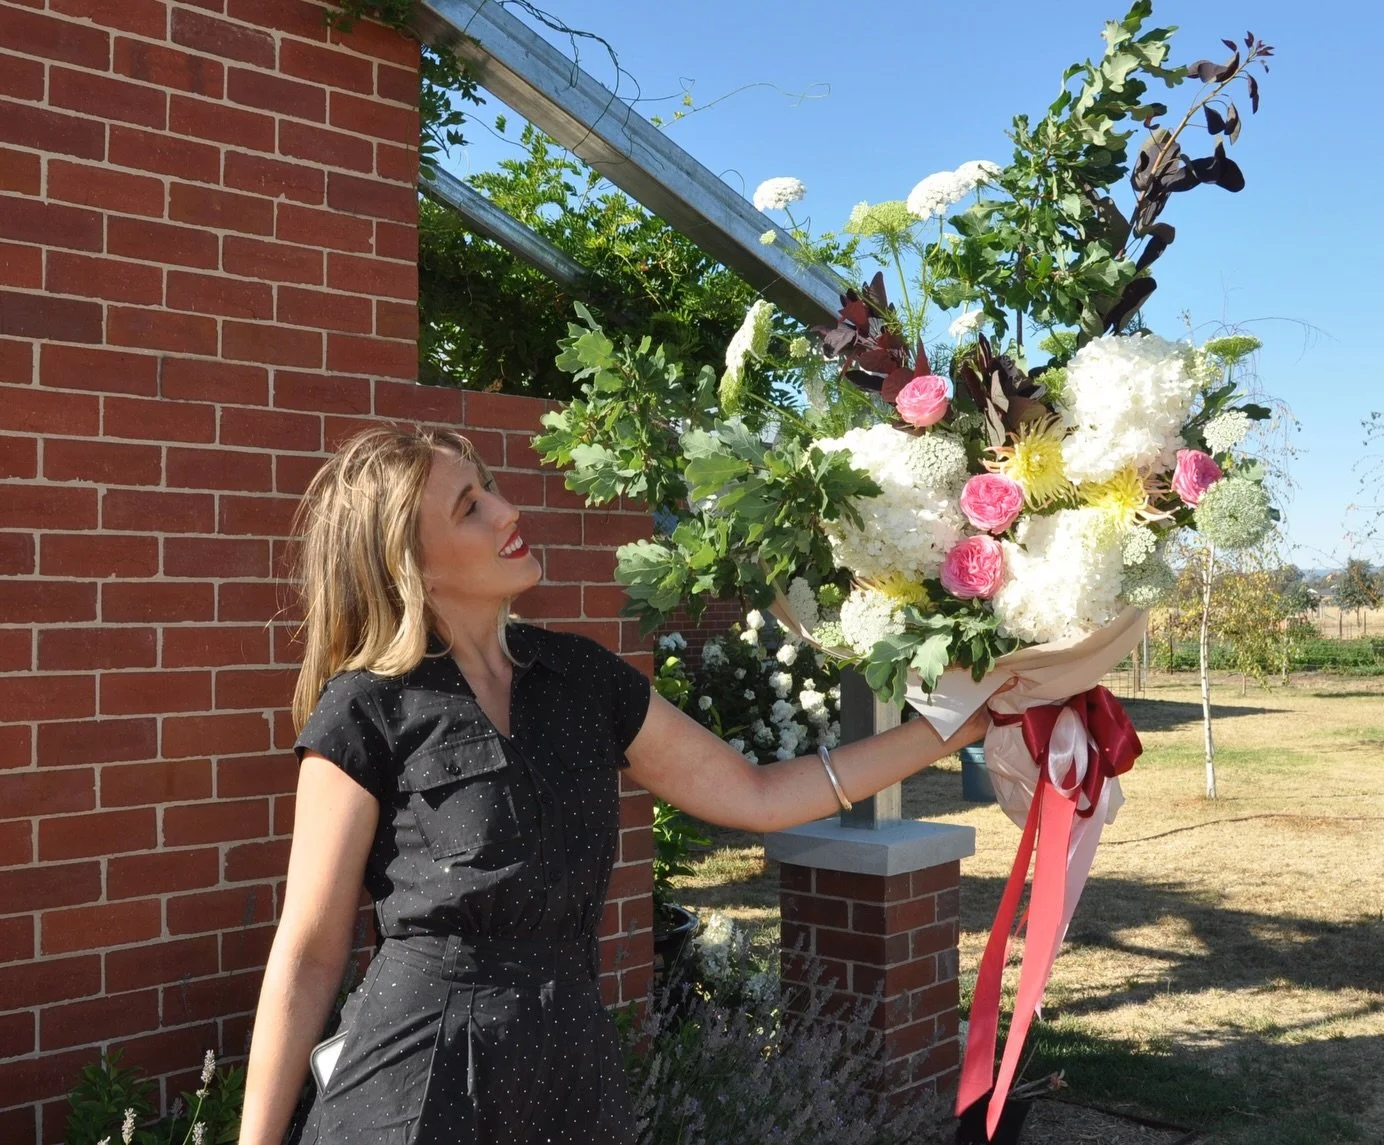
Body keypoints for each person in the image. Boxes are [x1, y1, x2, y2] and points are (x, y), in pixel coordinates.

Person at [238, 425, 992, 1145]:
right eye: (471, 506)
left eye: (492, 488)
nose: (508, 510)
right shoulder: (367, 707)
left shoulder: (580, 678)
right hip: (414, 1081)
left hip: (568, 1068)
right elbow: (307, 954)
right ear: (413, 563)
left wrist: (952, 728)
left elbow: (759, 795)